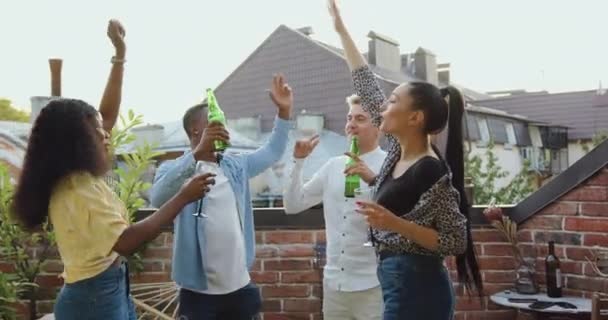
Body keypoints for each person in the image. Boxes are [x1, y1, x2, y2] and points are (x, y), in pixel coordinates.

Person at [12, 20, 217, 320]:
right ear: (78, 140)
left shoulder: (74, 172)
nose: (106, 134)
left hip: (108, 289)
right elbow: (126, 241)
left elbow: (105, 116)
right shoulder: (78, 190)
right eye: (98, 131)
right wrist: (183, 197)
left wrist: (119, 56)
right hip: (93, 300)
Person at [328, 1, 483, 319]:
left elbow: (455, 240)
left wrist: (394, 223)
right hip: (397, 278)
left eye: (392, 101)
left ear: (415, 117)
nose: (382, 108)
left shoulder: (431, 169)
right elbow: (366, 84)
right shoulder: (399, 152)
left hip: (418, 286)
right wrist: (341, 30)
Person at [149, 74, 294, 320]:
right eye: (215, 123)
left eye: (223, 123)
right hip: (198, 294)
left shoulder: (236, 165)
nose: (224, 129)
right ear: (196, 130)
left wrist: (284, 111)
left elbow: (273, 151)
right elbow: (158, 197)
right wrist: (195, 155)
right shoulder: (176, 169)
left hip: (240, 288)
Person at [283, 93, 385, 320]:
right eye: (349, 118)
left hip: (374, 285)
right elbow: (292, 204)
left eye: (360, 119)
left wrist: (373, 180)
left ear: (379, 126)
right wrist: (298, 162)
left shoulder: (390, 165)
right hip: (334, 286)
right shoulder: (333, 166)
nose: (351, 124)